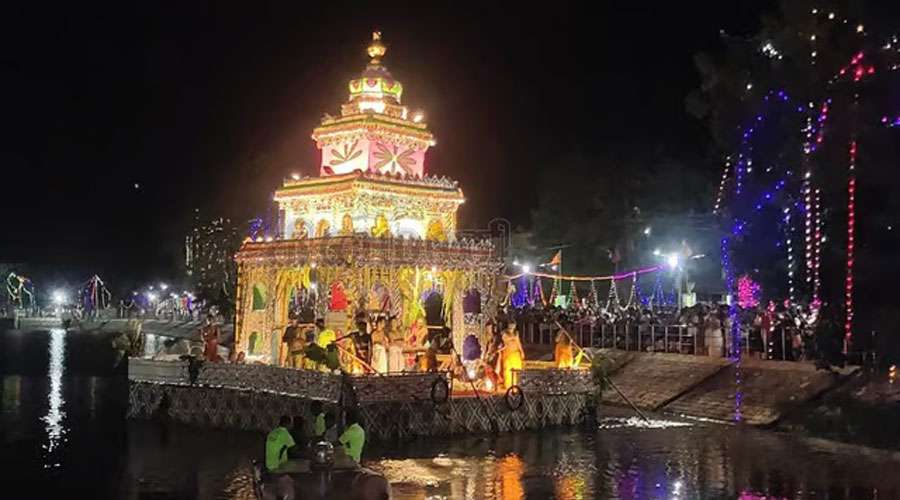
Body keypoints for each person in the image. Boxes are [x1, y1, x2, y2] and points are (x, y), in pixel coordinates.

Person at [497, 321, 524, 389]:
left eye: (513, 325)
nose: (512, 326)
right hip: (508, 354)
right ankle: (508, 385)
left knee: (516, 370)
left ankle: (516, 385)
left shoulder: (516, 333)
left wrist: (522, 351)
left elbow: (518, 343)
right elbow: (504, 343)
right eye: (511, 325)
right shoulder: (504, 333)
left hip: (515, 353)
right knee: (508, 370)